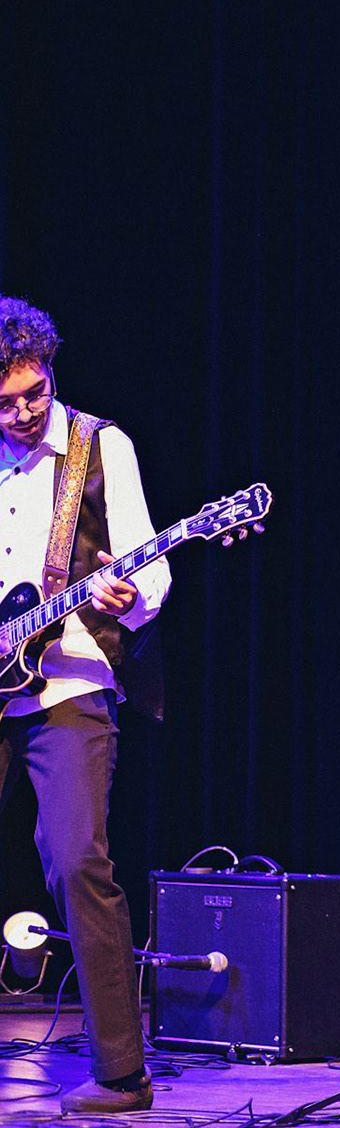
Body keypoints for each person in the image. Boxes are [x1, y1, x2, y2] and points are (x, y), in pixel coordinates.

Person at [0, 297, 169, 1113]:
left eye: (35, 392)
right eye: (5, 402)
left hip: (67, 681)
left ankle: (122, 1073)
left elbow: (151, 566)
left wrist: (129, 597)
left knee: (76, 861)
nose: (24, 412)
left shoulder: (100, 446)